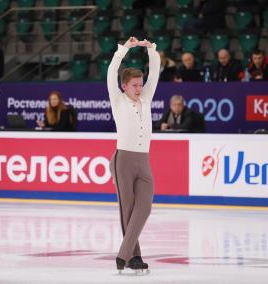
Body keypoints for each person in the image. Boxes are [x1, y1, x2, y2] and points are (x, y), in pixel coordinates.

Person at [107, 36, 159, 273]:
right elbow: (111, 71)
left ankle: (123, 254)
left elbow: (155, 73)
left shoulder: (146, 98)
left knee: (144, 206)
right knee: (127, 209)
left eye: (141, 84)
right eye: (135, 85)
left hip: (143, 160)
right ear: (124, 86)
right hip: (123, 159)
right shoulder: (117, 100)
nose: (140, 88)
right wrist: (124, 49)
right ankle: (134, 257)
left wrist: (151, 50)